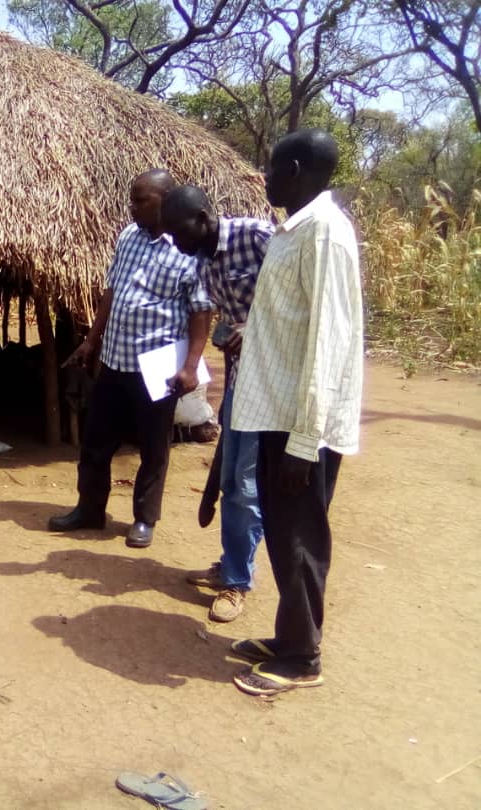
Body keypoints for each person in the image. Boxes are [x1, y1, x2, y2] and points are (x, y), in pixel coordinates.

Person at [229, 130, 363, 697]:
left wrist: (305, 441)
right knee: (285, 534)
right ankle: (290, 638)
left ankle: (303, 658)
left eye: (273, 167)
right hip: (279, 411)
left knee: (301, 538)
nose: (265, 176)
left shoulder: (325, 233)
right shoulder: (297, 230)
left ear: (297, 169)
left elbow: (329, 341)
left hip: (301, 423)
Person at [49, 170, 213, 547]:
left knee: (153, 448)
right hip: (114, 359)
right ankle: (90, 509)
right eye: (132, 200)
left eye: (141, 200)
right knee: (95, 441)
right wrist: (91, 340)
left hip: (157, 369)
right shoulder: (127, 236)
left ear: (166, 201)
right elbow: (112, 291)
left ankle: (144, 518)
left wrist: (190, 366)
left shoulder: (187, 248)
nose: (133, 207)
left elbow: (201, 311)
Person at [161, 185, 275, 623]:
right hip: (241, 381)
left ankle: (237, 583)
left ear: (204, 217)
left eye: (179, 231)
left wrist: (256, 327)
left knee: (245, 486)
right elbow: (223, 322)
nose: (176, 242)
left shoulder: (257, 236)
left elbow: (299, 297)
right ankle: (231, 564)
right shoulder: (202, 260)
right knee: (229, 479)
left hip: (273, 385)